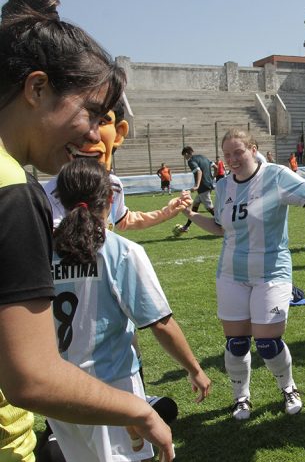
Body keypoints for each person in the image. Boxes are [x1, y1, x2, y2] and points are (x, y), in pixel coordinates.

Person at [0, 0, 173, 461]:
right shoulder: (12, 191)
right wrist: (136, 409)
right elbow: (31, 377)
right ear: (37, 88)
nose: (93, 134)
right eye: (91, 113)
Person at [48, 159, 212, 461]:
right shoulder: (120, 250)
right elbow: (160, 323)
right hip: (112, 388)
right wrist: (195, 370)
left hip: (57, 388)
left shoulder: (41, 251)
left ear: (59, 199)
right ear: (111, 199)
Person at [181, 129, 305, 420]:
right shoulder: (223, 186)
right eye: (227, 155)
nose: (232, 159)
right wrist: (191, 215)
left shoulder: (275, 175)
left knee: (267, 343)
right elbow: (220, 228)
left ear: (253, 149)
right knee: (236, 344)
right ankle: (241, 397)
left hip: (271, 271)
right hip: (231, 273)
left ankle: (288, 388)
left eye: (238, 152)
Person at [46, 99, 191, 231]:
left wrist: (167, 212)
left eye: (101, 122)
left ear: (118, 133)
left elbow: (123, 220)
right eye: (75, 122)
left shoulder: (113, 184)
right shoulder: (51, 194)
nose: (90, 134)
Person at [173, 146, 215, 236]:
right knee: (195, 205)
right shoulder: (203, 157)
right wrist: (212, 177)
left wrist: (197, 185)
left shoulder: (191, 161)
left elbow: (199, 172)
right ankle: (187, 226)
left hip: (203, 186)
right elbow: (215, 166)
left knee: (209, 207)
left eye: (184, 156)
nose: (185, 158)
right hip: (208, 184)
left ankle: (225, 224)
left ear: (186, 154)